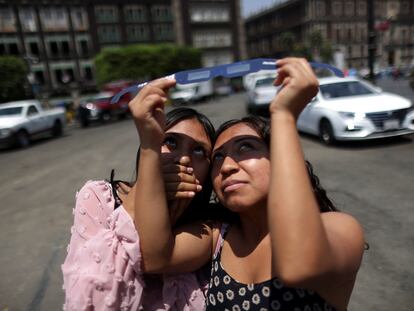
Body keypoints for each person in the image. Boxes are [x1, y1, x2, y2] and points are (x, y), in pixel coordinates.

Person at [131, 58, 365, 311]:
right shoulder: (217, 238)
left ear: (282, 161)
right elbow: (154, 257)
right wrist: (149, 144)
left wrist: (284, 116)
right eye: (217, 157)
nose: (226, 166)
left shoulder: (339, 227)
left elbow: (299, 265)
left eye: (246, 147)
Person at [62, 91, 218, 310]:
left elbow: (154, 258)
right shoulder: (99, 197)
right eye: (170, 141)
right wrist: (148, 180)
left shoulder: (206, 229)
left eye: (199, 151)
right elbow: (90, 299)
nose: (183, 159)